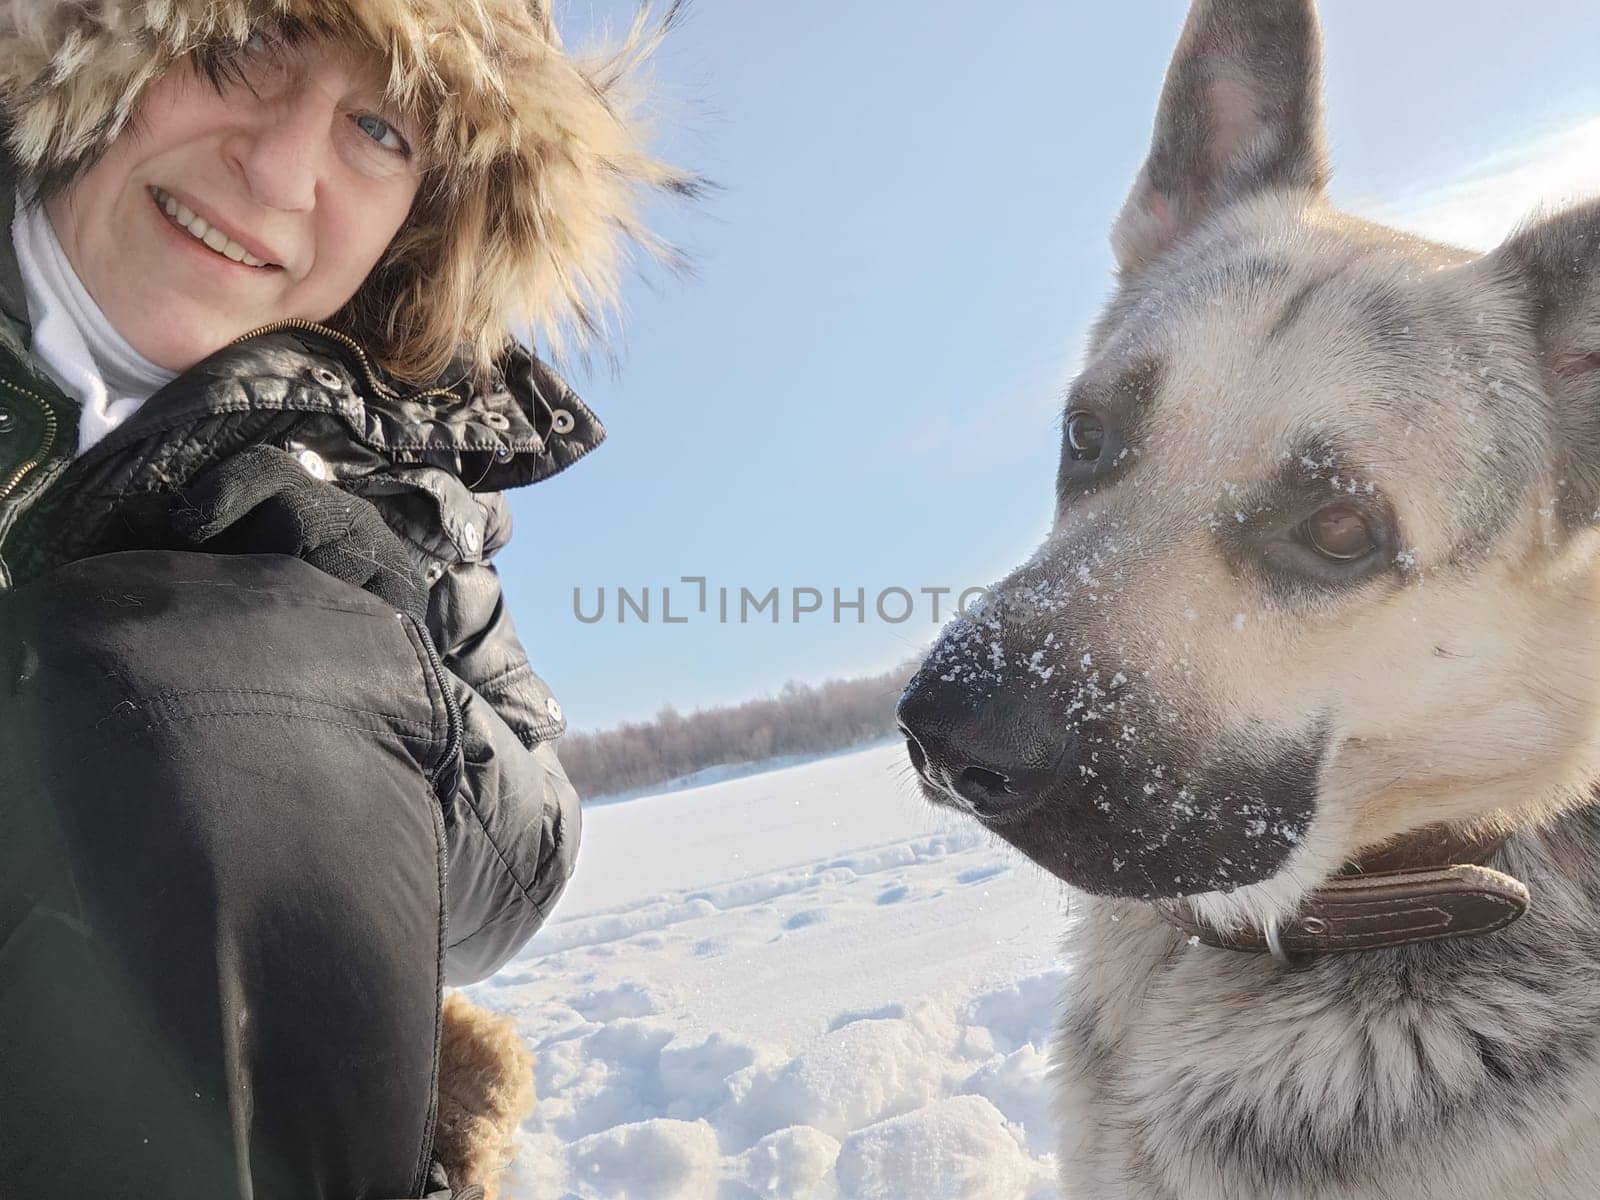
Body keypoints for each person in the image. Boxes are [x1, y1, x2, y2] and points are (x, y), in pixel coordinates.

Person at [0, 2, 690, 1197]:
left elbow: (521, 861)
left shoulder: (386, 470)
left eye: (378, 128)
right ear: (96, 42)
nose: (277, 173)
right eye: (246, 43)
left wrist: (356, 662)